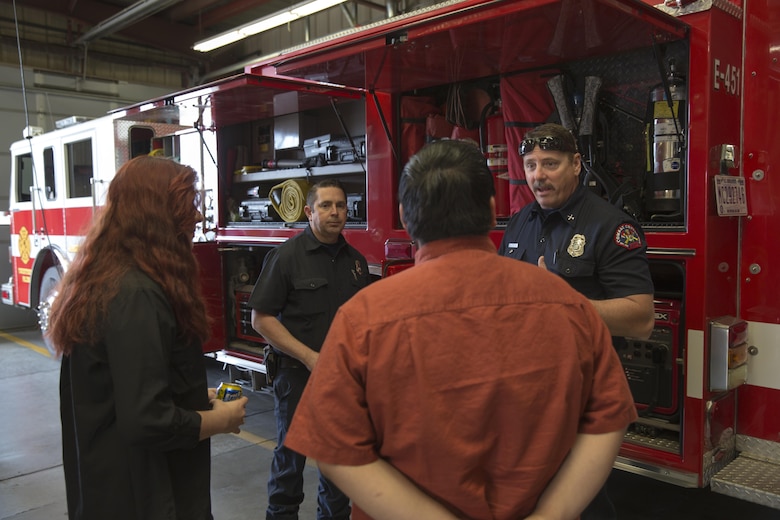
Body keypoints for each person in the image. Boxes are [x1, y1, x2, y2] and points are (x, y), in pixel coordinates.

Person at [283, 139, 638, 520]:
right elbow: (608, 420)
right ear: (491, 211)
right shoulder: (570, 305)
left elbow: (335, 449)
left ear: (405, 217)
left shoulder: (363, 317)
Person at [47, 155, 248, 520]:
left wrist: (188, 395)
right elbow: (147, 419)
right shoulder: (135, 293)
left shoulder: (108, 279)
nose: (198, 216)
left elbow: (124, 385)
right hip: (145, 495)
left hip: (109, 488)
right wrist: (224, 420)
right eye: (187, 204)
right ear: (155, 213)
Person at [498, 122, 655, 519]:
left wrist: (562, 300)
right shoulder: (518, 224)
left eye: (550, 163)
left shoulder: (611, 226)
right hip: (523, 386)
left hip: (581, 388)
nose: (538, 175)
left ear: (576, 165)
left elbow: (641, 318)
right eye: (531, 164)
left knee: (578, 497)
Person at [248, 178, 370, 520]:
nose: (335, 213)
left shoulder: (356, 262)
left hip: (343, 380)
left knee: (339, 467)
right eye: (325, 206)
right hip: (297, 376)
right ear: (308, 212)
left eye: (340, 206)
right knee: (290, 463)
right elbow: (262, 318)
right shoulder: (286, 257)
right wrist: (308, 356)